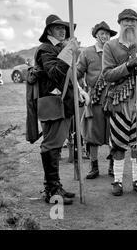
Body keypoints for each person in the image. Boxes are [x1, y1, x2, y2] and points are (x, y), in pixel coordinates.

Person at [102, 9, 137, 196]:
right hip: (119, 101)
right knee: (118, 143)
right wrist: (127, 67)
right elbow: (107, 74)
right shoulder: (110, 46)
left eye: (133, 21)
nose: (130, 24)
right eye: (126, 21)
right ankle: (117, 180)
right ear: (119, 23)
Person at [34, 14, 88, 205]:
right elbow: (55, 73)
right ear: (49, 30)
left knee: (56, 146)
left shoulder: (58, 48)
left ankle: (55, 186)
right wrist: (68, 52)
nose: (63, 30)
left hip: (62, 103)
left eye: (64, 28)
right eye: (58, 28)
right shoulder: (45, 49)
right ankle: (51, 190)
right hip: (52, 102)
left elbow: (69, 76)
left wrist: (80, 91)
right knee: (51, 146)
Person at [76, 21, 116, 179]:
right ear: (96, 35)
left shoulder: (114, 51)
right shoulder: (87, 53)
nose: (105, 36)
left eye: (107, 33)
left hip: (114, 98)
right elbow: (77, 73)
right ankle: (94, 167)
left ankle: (114, 166)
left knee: (115, 133)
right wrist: (80, 91)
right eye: (102, 33)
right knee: (92, 135)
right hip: (94, 98)